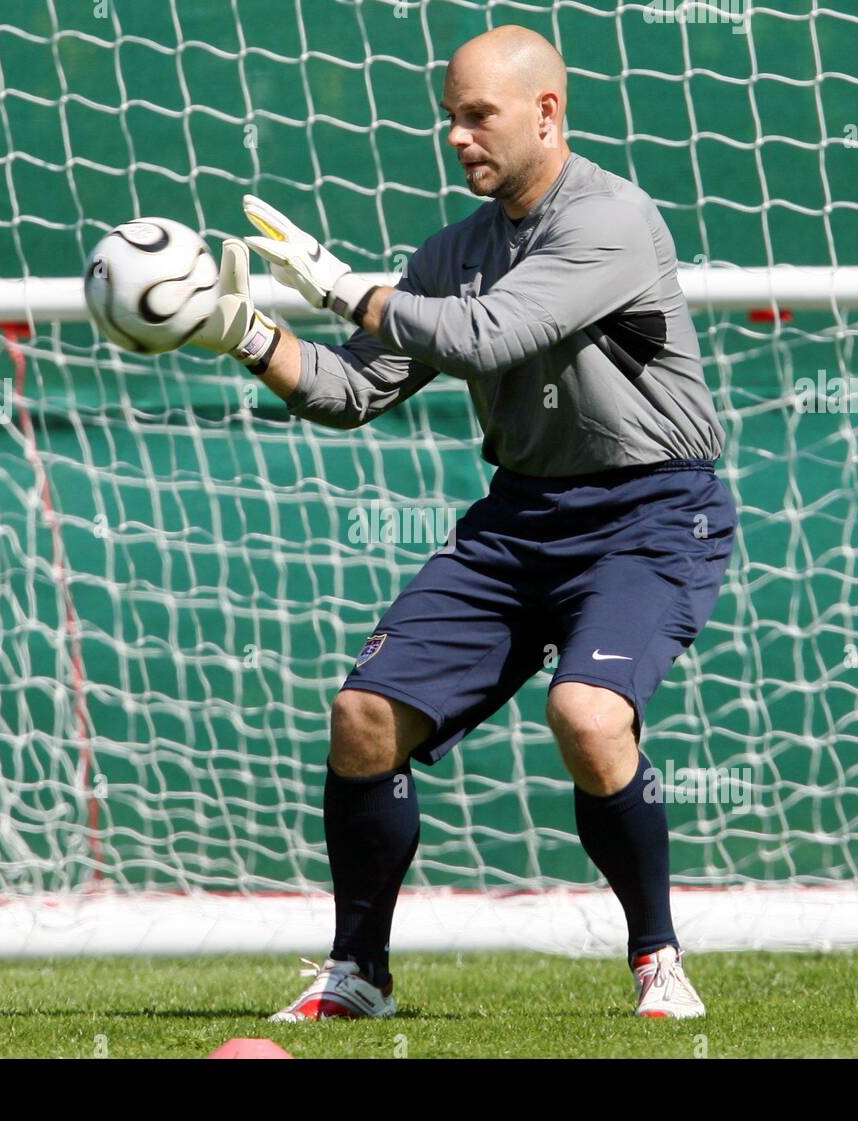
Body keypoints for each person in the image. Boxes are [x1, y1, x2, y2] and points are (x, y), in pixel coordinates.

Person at [190, 23, 735, 1022]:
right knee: (362, 716)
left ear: (546, 113)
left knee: (585, 712)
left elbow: (491, 333)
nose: (457, 136)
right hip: (521, 514)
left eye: (477, 115)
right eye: (449, 118)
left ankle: (657, 955)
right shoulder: (452, 250)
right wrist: (245, 331)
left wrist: (349, 288)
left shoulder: (612, 218)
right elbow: (349, 393)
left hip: (651, 511)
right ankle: (359, 973)